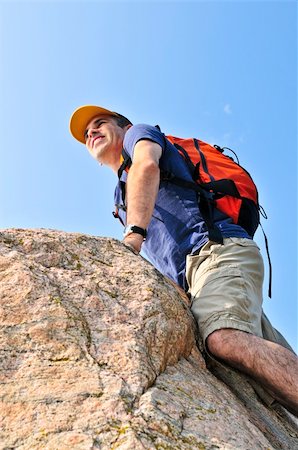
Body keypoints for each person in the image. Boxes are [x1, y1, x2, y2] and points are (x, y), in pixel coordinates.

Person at [69, 105, 298, 416]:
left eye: (100, 123)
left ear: (123, 127)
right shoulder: (120, 198)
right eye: (86, 134)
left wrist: (134, 233)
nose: (91, 132)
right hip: (198, 280)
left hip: (215, 250)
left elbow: (147, 165)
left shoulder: (138, 136)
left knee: (224, 337)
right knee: (267, 378)